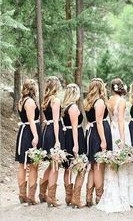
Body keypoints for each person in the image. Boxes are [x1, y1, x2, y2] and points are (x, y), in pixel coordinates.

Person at [97, 78, 133, 213]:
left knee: (113, 163)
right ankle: (124, 198)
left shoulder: (108, 100)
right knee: (123, 162)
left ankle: (114, 192)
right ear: (121, 87)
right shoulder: (121, 102)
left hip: (111, 129)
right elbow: (121, 120)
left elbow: (110, 119)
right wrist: (122, 140)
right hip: (120, 131)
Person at [84, 78, 112, 207]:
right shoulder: (99, 102)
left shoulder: (88, 101)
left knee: (93, 166)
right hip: (98, 134)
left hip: (91, 133)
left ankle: (88, 196)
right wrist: (103, 141)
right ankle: (99, 196)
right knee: (98, 166)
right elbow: (99, 122)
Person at [40, 76, 65, 207]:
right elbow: (56, 121)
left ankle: (42, 191)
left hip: (46, 131)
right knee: (55, 165)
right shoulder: (55, 100)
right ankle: (51, 197)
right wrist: (57, 140)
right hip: (53, 132)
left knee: (51, 164)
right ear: (56, 86)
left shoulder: (46, 99)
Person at [15, 79, 41, 205]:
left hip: (23, 132)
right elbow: (31, 120)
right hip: (29, 133)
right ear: (33, 88)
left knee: (22, 165)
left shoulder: (21, 101)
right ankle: (30, 196)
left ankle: (22, 194)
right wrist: (35, 136)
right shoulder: (30, 102)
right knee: (32, 165)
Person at [62, 83, 86, 208]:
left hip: (67, 137)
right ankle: (75, 198)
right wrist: (76, 145)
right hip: (74, 138)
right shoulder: (73, 108)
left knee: (68, 168)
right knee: (81, 167)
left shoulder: (64, 107)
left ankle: (69, 196)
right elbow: (75, 128)